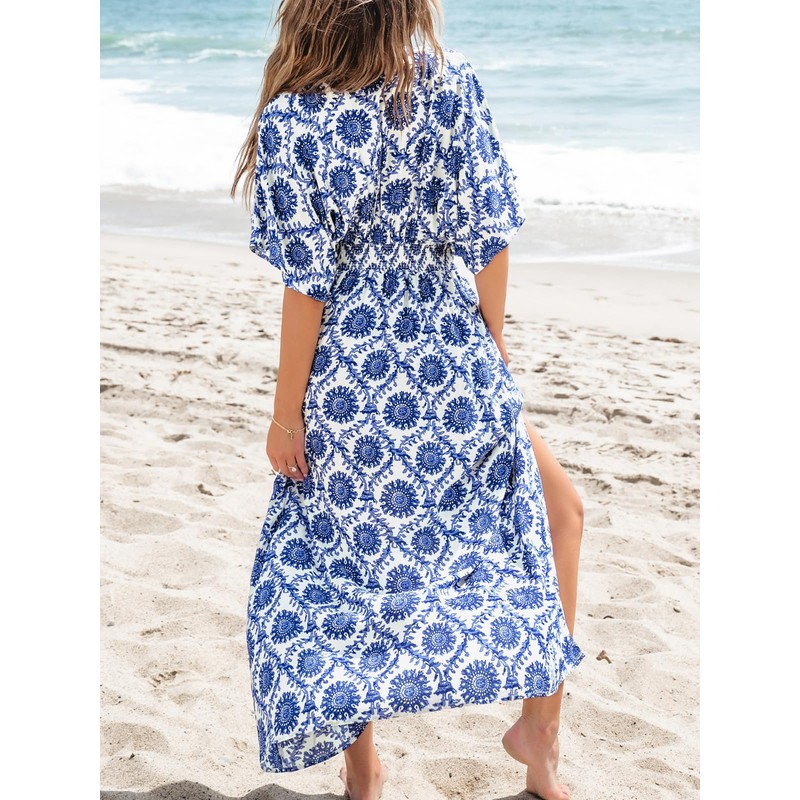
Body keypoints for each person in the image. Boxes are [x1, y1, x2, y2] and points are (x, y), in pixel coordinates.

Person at [231, 2, 587, 798]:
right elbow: (490, 237)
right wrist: (492, 348)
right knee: (559, 514)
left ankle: (366, 774)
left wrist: (286, 414)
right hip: (452, 359)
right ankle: (540, 734)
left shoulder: (294, 119)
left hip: (350, 381)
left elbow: (306, 285)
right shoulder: (452, 88)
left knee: (345, 572)